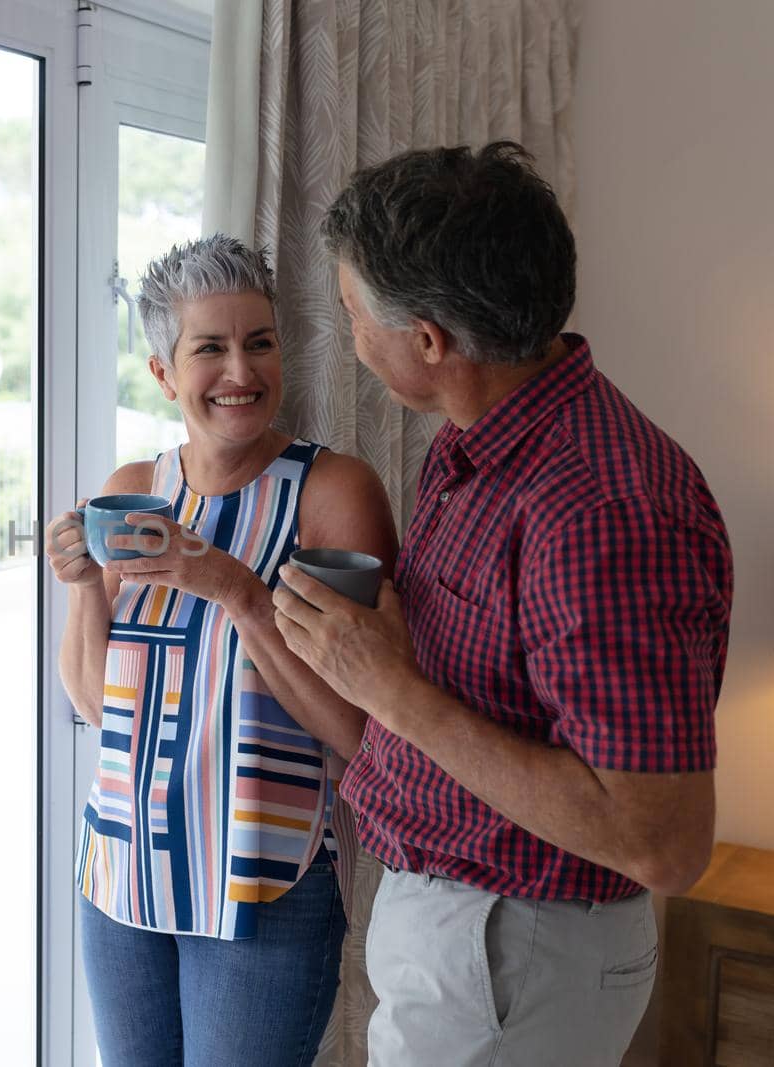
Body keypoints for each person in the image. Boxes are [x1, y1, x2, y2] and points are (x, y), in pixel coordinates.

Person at [272, 142, 734, 1066]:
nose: (353, 334)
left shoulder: (602, 507)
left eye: (356, 312)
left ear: (431, 342)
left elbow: (662, 843)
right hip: (477, 944)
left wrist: (396, 691)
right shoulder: (481, 440)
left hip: (514, 957)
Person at [46, 234, 398, 1067]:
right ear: (166, 373)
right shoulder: (132, 489)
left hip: (262, 889)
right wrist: (83, 585)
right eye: (210, 348)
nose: (242, 371)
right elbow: (97, 704)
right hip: (121, 879)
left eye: (260, 341)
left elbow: (358, 731)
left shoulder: (331, 493)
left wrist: (239, 590)